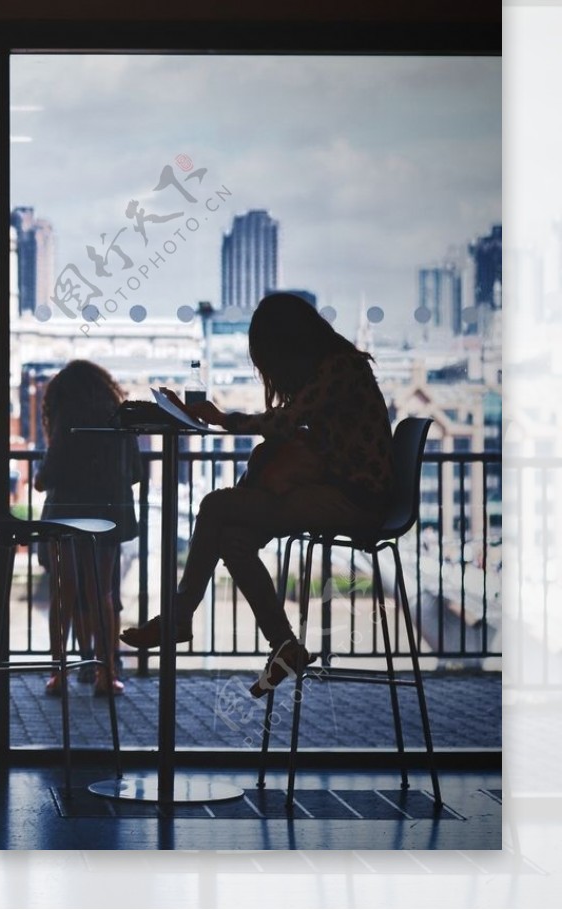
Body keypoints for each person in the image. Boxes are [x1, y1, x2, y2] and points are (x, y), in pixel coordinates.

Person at [121, 292, 395, 696]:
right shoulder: (339, 367)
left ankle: (179, 618)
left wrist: (222, 419)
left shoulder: (340, 368)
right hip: (341, 495)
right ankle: (284, 646)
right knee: (232, 538)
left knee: (215, 506)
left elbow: (285, 422)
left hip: (352, 501)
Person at [34, 360, 142, 697]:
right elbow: (136, 472)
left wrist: (43, 476)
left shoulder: (67, 419)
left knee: (63, 593)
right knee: (104, 593)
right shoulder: (119, 417)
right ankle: (106, 674)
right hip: (109, 512)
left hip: (66, 513)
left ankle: (58, 673)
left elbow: (44, 479)